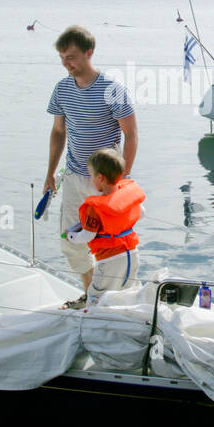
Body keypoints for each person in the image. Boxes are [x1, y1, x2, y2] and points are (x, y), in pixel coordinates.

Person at [45, 25, 138, 292]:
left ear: (89, 53)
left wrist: (123, 178)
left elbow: (130, 134)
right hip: (73, 176)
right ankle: (89, 293)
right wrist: (50, 174)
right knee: (71, 241)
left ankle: (112, 296)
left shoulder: (112, 89)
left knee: (109, 244)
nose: (66, 64)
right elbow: (58, 132)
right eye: (62, 58)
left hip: (106, 181)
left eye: (71, 57)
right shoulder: (62, 89)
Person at [63, 148, 144, 307]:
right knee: (127, 293)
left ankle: (92, 324)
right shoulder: (126, 196)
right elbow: (141, 213)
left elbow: (87, 236)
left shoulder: (95, 207)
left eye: (91, 175)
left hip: (110, 259)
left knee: (96, 297)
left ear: (100, 178)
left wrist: (70, 235)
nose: (91, 179)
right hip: (132, 255)